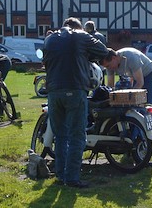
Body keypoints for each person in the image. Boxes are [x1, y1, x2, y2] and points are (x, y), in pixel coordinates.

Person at [42, 17, 108, 188]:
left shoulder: (50, 39)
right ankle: (72, 178)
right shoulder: (81, 35)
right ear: (79, 27)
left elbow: (45, 61)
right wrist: (86, 54)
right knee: (77, 135)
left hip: (54, 91)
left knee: (61, 135)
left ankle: (60, 174)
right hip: (75, 88)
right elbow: (102, 50)